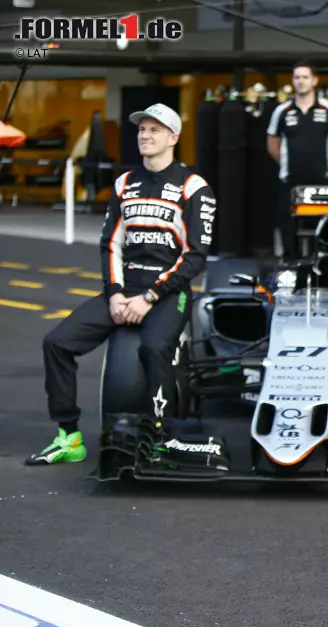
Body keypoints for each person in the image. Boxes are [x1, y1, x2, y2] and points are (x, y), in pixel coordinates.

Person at [29, 103, 215, 465]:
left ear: (173, 137)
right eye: (142, 129)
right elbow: (111, 243)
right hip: (124, 288)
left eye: (154, 130)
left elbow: (195, 256)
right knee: (57, 343)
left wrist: (149, 296)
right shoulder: (124, 183)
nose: (145, 135)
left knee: (153, 349)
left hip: (168, 294)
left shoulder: (195, 187)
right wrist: (115, 295)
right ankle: (68, 436)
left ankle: (160, 436)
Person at [267, 61, 328, 259]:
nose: (301, 81)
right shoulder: (282, 111)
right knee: (288, 224)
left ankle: (324, 266)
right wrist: (286, 163)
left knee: (324, 225)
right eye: (297, 77)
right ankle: (290, 266)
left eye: (305, 77)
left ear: (315, 80)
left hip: (323, 179)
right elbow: (272, 143)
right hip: (290, 179)